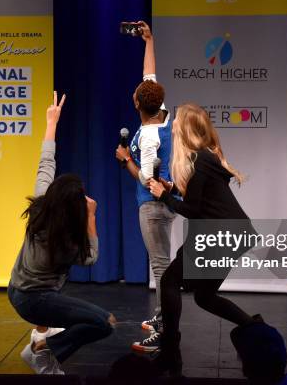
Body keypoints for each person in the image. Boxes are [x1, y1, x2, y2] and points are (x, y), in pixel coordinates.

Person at [8, 92, 116, 375]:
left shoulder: (42, 206)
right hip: (34, 301)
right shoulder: (65, 240)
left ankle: (42, 334)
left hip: (15, 290)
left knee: (58, 300)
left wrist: (51, 121)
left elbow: (46, 161)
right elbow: (91, 257)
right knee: (104, 323)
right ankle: (43, 353)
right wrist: (92, 216)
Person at [148, 103, 260, 376]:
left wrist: (163, 196)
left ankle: (170, 353)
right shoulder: (206, 158)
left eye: (176, 123)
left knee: (170, 281)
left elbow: (194, 210)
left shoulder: (199, 160)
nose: (172, 126)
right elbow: (201, 201)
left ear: (185, 128)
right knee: (205, 296)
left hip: (220, 233)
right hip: (232, 232)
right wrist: (173, 190)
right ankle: (257, 330)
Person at [115, 21, 176, 354]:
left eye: (137, 92)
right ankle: (161, 316)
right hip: (160, 204)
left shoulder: (151, 138)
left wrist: (126, 161)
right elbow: (149, 75)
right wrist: (148, 40)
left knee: (161, 268)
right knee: (162, 265)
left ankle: (165, 329)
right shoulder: (161, 113)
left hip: (154, 206)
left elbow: (148, 179)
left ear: (137, 103)